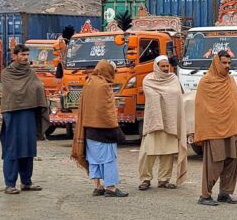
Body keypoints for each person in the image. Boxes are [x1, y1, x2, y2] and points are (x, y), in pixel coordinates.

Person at [193, 51, 237, 206]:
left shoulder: (230, 80)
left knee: (232, 160)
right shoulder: (206, 82)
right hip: (214, 129)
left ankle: (225, 193)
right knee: (214, 162)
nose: (227, 66)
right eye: (224, 63)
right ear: (217, 63)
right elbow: (202, 108)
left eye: (229, 63)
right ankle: (205, 195)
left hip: (233, 127)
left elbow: (235, 103)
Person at [0, 44, 50, 194]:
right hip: (13, 113)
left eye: (27, 55)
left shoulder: (31, 72)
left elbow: (38, 87)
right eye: (22, 55)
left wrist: (33, 91)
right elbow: (14, 90)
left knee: (28, 148)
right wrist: (31, 91)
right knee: (12, 148)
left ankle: (26, 182)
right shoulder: (7, 73)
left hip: (29, 113)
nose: (25, 58)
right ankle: (10, 184)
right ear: (14, 56)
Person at [71, 60, 128, 197]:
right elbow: (107, 111)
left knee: (94, 159)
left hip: (89, 129)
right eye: (113, 71)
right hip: (104, 129)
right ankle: (111, 188)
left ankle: (97, 186)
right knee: (109, 159)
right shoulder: (104, 85)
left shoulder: (89, 82)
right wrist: (115, 128)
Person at [138, 55, 188, 191]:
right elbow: (152, 96)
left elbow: (177, 96)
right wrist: (167, 96)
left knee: (168, 153)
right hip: (155, 122)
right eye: (163, 66)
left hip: (170, 121)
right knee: (148, 152)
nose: (166, 69)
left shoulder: (174, 79)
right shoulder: (148, 79)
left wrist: (164, 96)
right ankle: (145, 179)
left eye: (167, 66)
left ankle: (164, 180)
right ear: (156, 67)